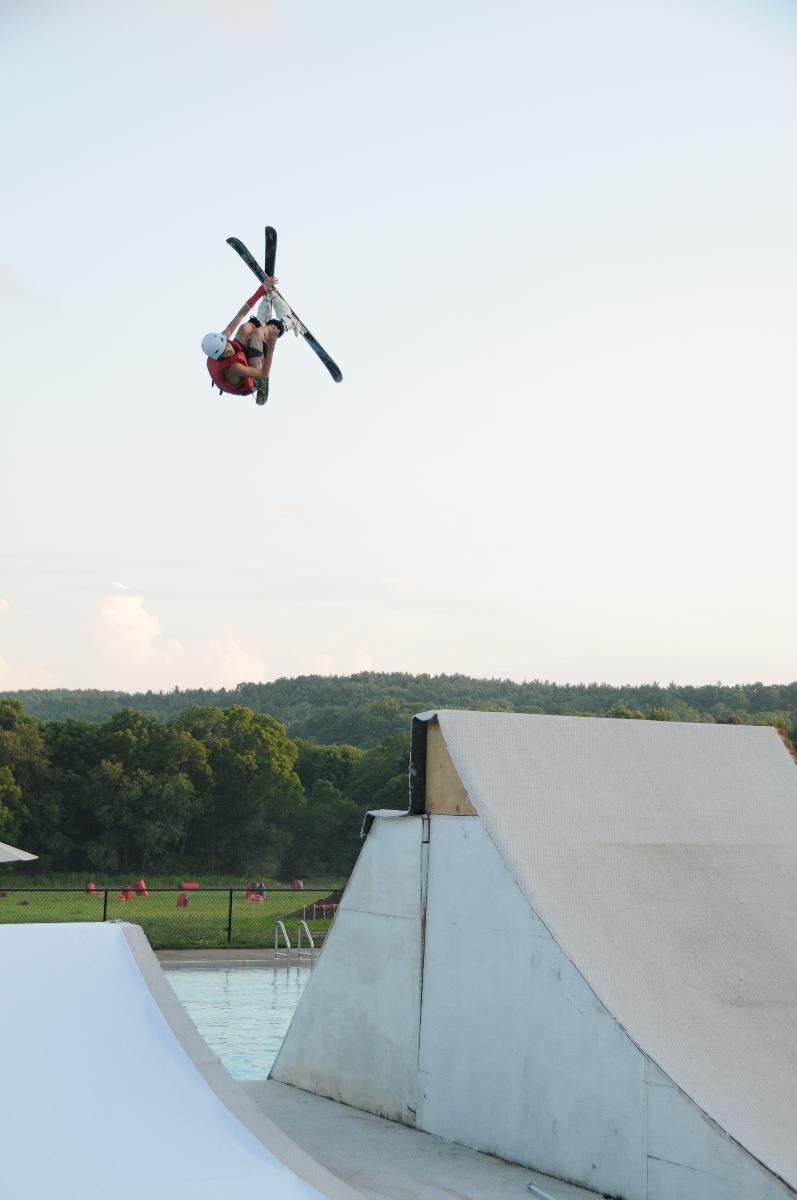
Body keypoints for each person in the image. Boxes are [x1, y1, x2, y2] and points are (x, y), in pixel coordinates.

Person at [202, 279, 294, 406]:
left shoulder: (222, 339)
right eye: (225, 353)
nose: (229, 349)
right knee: (258, 334)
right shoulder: (234, 368)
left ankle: (262, 322)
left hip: (243, 358)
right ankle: (289, 322)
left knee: (245, 328)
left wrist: (261, 290)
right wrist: (272, 346)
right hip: (254, 376)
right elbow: (264, 374)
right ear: (219, 358)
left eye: (227, 345)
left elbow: (241, 314)